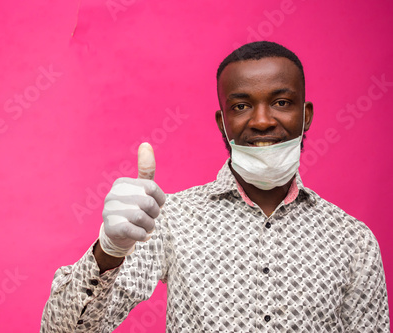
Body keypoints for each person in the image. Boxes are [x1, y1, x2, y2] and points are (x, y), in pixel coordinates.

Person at [40, 41, 390, 332]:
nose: (263, 120)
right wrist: (109, 251)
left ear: (306, 114)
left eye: (281, 103)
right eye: (241, 106)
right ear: (224, 122)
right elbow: (64, 330)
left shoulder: (354, 241)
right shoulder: (171, 219)